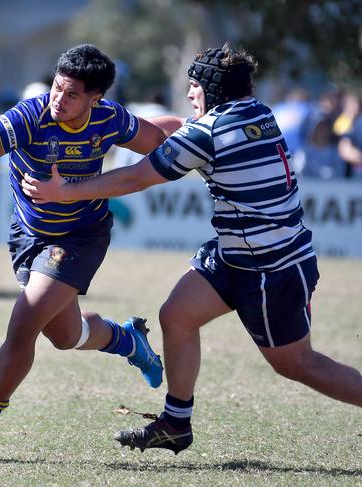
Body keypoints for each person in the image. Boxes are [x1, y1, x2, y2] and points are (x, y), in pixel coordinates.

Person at [22, 43, 362, 455]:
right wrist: (123, 126)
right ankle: (176, 424)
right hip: (238, 255)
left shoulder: (209, 132)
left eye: (194, 85)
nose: (189, 94)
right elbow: (178, 127)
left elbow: (135, 180)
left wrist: (66, 192)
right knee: (176, 315)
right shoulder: (257, 112)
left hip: (271, 267)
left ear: (212, 90)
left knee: (297, 365)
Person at [0, 44, 182, 460]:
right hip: (29, 236)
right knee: (64, 335)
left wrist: (196, 137)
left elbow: (158, 143)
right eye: (58, 87)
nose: (59, 99)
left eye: (72, 93)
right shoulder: (30, 116)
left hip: (81, 237)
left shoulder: (111, 119)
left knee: (24, 320)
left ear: (95, 98)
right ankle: (129, 341)